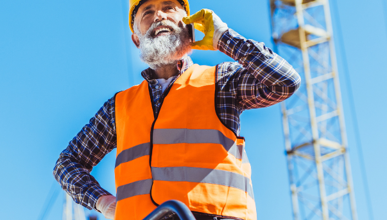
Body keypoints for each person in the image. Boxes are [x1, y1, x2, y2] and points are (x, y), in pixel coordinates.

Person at [53, 0, 301, 219]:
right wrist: (104, 203)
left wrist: (223, 38)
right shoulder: (118, 107)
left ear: (187, 23)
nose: (159, 16)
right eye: (147, 12)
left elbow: (284, 82)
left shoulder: (222, 81)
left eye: (168, 7)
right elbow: (66, 164)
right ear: (136, 39)